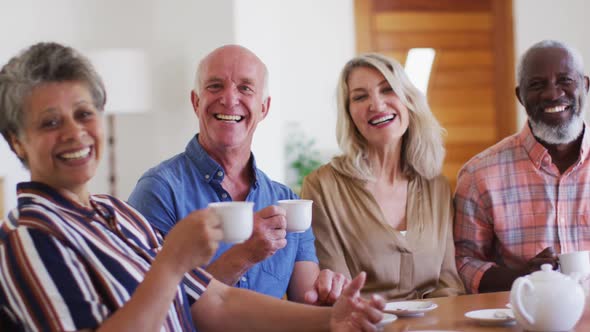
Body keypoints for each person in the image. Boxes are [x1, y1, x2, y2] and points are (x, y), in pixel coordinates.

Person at [0, 41, 386, 332]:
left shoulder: (115, 214)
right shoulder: (29, 234)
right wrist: (171, 264)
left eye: (85, 113)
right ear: (17, 140)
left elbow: (213, 301)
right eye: (50, 123)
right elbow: (178, 291)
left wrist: (330, 319)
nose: (74, 132)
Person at [128, 44, 346, 305]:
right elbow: (148, 308)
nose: (230, 99)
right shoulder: (159, 190)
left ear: (264, 108)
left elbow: (308, 302)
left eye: (245, 88)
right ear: (196, 102)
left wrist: (329, 294)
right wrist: (244, 255)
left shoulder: (286, 200)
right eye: (215, 86)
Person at [300, 53, 465, 300]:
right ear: (349, 114)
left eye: (387, 90)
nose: (376, 105)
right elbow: (338, 292)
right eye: (360, 96)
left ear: (409, 101)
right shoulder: (322, 187)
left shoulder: (436, 185)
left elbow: (450, 283)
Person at [454, 39, 590, 294]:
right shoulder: (479, 175)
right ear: (520, 96)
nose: (553, 94)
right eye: (537, 85)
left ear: (585, 85)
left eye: (565, 81)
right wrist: (520, 278)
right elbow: (462, 262)